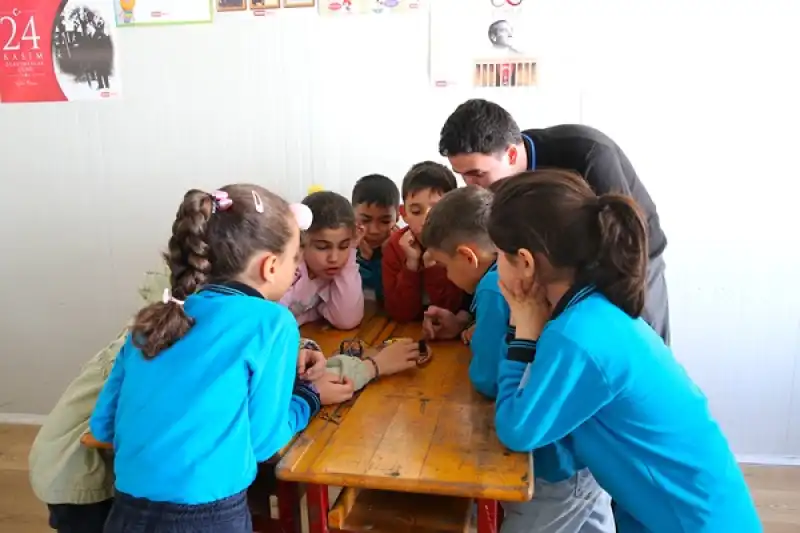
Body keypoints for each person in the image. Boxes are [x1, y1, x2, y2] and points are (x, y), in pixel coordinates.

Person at [488, 170, 760, 533]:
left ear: (525, 261)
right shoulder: (589, 311)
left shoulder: (577, 335)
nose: (494, 268)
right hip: (673, 512)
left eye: (497, 256)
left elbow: (516, 429)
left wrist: (522, 332)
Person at [89, 185, 326, 533]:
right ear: (270, 266)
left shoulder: (154, 318)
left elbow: (102, 426)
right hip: (208, 517)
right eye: (295, 261)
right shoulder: (272, 322)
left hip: (126, 511)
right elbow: (264, 442)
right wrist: (309, 397)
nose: (296, 272)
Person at [421, 186, 614, 533]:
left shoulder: (495, 287)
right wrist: (468, 325)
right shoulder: (519, 282)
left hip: (551, 466)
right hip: (580, 455)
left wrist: (479, 341)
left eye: (444, 265)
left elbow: (487, 379)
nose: (445, 276)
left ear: (467, 256)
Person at [439, 98, 670, 344]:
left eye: (477, 173)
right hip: (565, 281)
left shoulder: (588, 153)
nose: (470, 184)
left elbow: (621, 242)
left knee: (634, 351)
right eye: (461, 175)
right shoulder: (495, 186)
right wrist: (474, 318)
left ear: (512, 154)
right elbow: (487, 253)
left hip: (632, 262)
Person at [381, 161, 464, 322]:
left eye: (436, 209)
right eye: (416, 211)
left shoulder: (459, 247)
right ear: (404, 213)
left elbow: (451, 310)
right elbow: (400, 313)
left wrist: (432, 265)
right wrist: (411, 265)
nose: (427, 218)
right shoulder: (395, 246)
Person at [281, 190, 364, 330]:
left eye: (344, 246)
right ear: (300, 241)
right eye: (322, 247)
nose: (334, 258)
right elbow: (269, 324)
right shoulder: (288, 272)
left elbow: (347, 319)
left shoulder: (332, 271)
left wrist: (351, 254)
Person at [351, 174, 400, 302]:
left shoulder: (406, 247)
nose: (374, 230)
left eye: (385, 221)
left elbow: (389, 296)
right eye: (365, 220)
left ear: (398, 216)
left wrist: (389, 255)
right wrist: (363, 260)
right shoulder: (344, 247)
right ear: (352, 215)